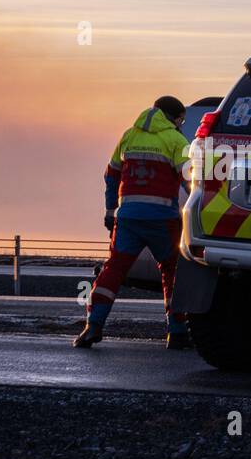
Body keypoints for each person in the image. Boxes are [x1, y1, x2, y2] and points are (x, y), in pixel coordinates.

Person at [75, 95, 192, 349]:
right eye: (181, 119)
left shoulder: (129, 135)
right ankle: (177, 332)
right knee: (173, 271)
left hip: (128, 218)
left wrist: (110, 210)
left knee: (114, 270)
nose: (181, 124)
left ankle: (93, 326)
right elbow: (190, 180)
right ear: (174, 118)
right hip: (163, 220)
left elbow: (111, 175)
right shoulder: (176, 140)